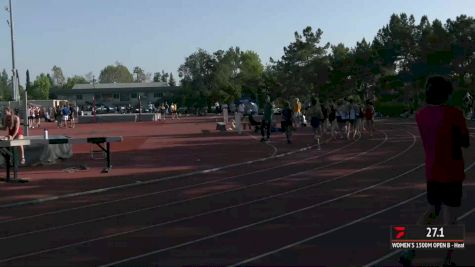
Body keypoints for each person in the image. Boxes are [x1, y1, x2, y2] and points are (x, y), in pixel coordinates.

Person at [401, 76, 470, 267]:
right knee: (450, 218)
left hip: (433, 170)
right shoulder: (454, 114)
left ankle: (410, 248)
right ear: (447, 94)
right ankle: (448, 259)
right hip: (453, 171)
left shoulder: (420, 115)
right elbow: (465, 142)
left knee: (431, 211)